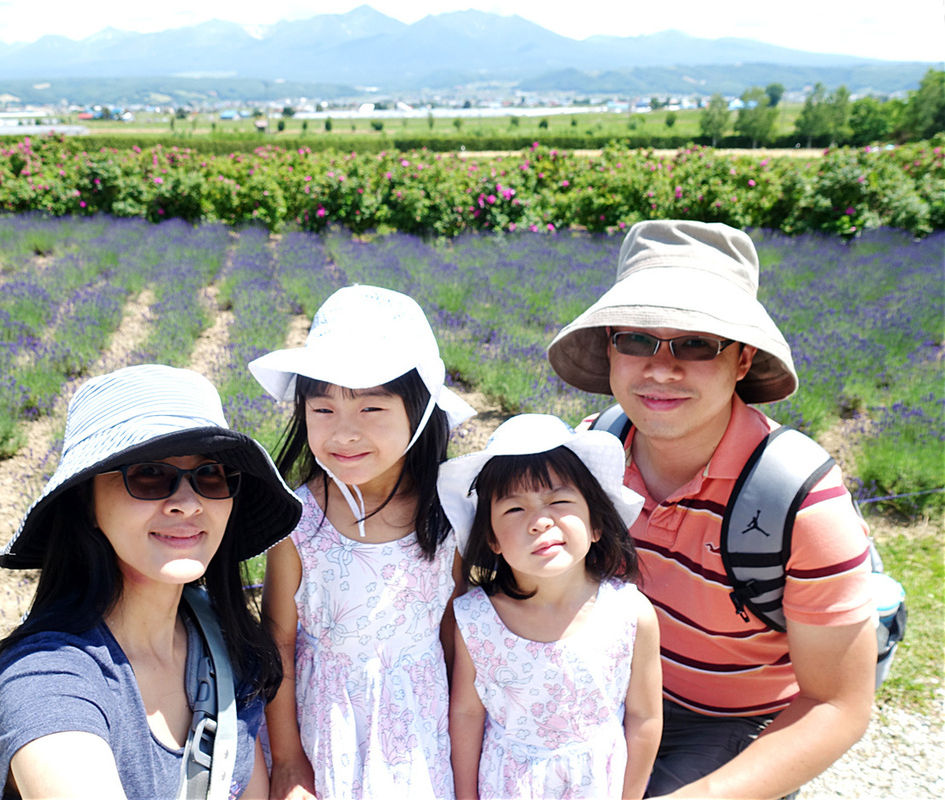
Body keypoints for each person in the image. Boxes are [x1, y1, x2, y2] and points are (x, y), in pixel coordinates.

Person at [546, 220, 875, 799]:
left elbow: (838, 705)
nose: (661, 369)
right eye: (637, 340)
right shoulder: (590, 451)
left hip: (731, 724)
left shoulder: (800, 502)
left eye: (697, 344)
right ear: (610, 348)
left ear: (743, 361)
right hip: (608, 693)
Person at [0, 364, 301, 800]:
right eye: (149, 474)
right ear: (87, 503)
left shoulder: (225, 645)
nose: (187, 503)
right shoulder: (48, 678)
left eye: (209, 474)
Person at [248, 285, 476, 800]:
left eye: (371, 410)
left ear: (420, 414)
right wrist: (286, 759)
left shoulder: (447, 515)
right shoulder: (296, 520)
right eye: (322, 410)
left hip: (418, 730)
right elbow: (279, 641)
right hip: (324, 725)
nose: (343, 434)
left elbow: (453, 632)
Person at [440, 414, 662, 800]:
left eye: (559, 501)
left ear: (596, 526)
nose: (540, 522)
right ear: (491, 538)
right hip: (506, 786)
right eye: (514, 509)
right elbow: (467, 714)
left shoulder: (630, 613)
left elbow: (644, 717)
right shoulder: (476, 619)